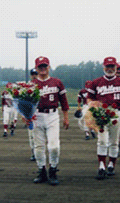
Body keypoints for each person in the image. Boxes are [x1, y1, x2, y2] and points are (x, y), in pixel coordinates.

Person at [87, 56, 120, 180]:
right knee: (102, 140)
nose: (110, 69)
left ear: (116, 67)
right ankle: (101, 165)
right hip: (101, 115)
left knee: (113, 141)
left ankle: (112, 164)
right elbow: (89, 97)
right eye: (107, 66)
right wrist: (92, 109)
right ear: (103, 67)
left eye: (112, 66)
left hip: (116, 114)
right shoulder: (96, 82)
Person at [32, 56, 69, 185]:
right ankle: (42, 171)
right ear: (36, 68)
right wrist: (25, 116)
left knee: (54, 146)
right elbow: (25, 104)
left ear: (49, 67)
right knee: (39, 146)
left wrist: (66, 117)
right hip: (37, 116)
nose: (43, 69)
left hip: (52, 115)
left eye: (45, 66)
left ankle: (53, 169)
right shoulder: (32, 84)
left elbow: (64, 101)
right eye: (40, 66)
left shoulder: (57, 82)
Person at [27, 68, 39, 161]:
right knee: (31, 135)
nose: (34, 75)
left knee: (40, 134)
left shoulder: (42, 85)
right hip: (31, 113)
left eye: (36, 73)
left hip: (41, 113)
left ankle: (40, 152)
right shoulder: (27, 86)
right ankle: (33, 153)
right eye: (33, 74)